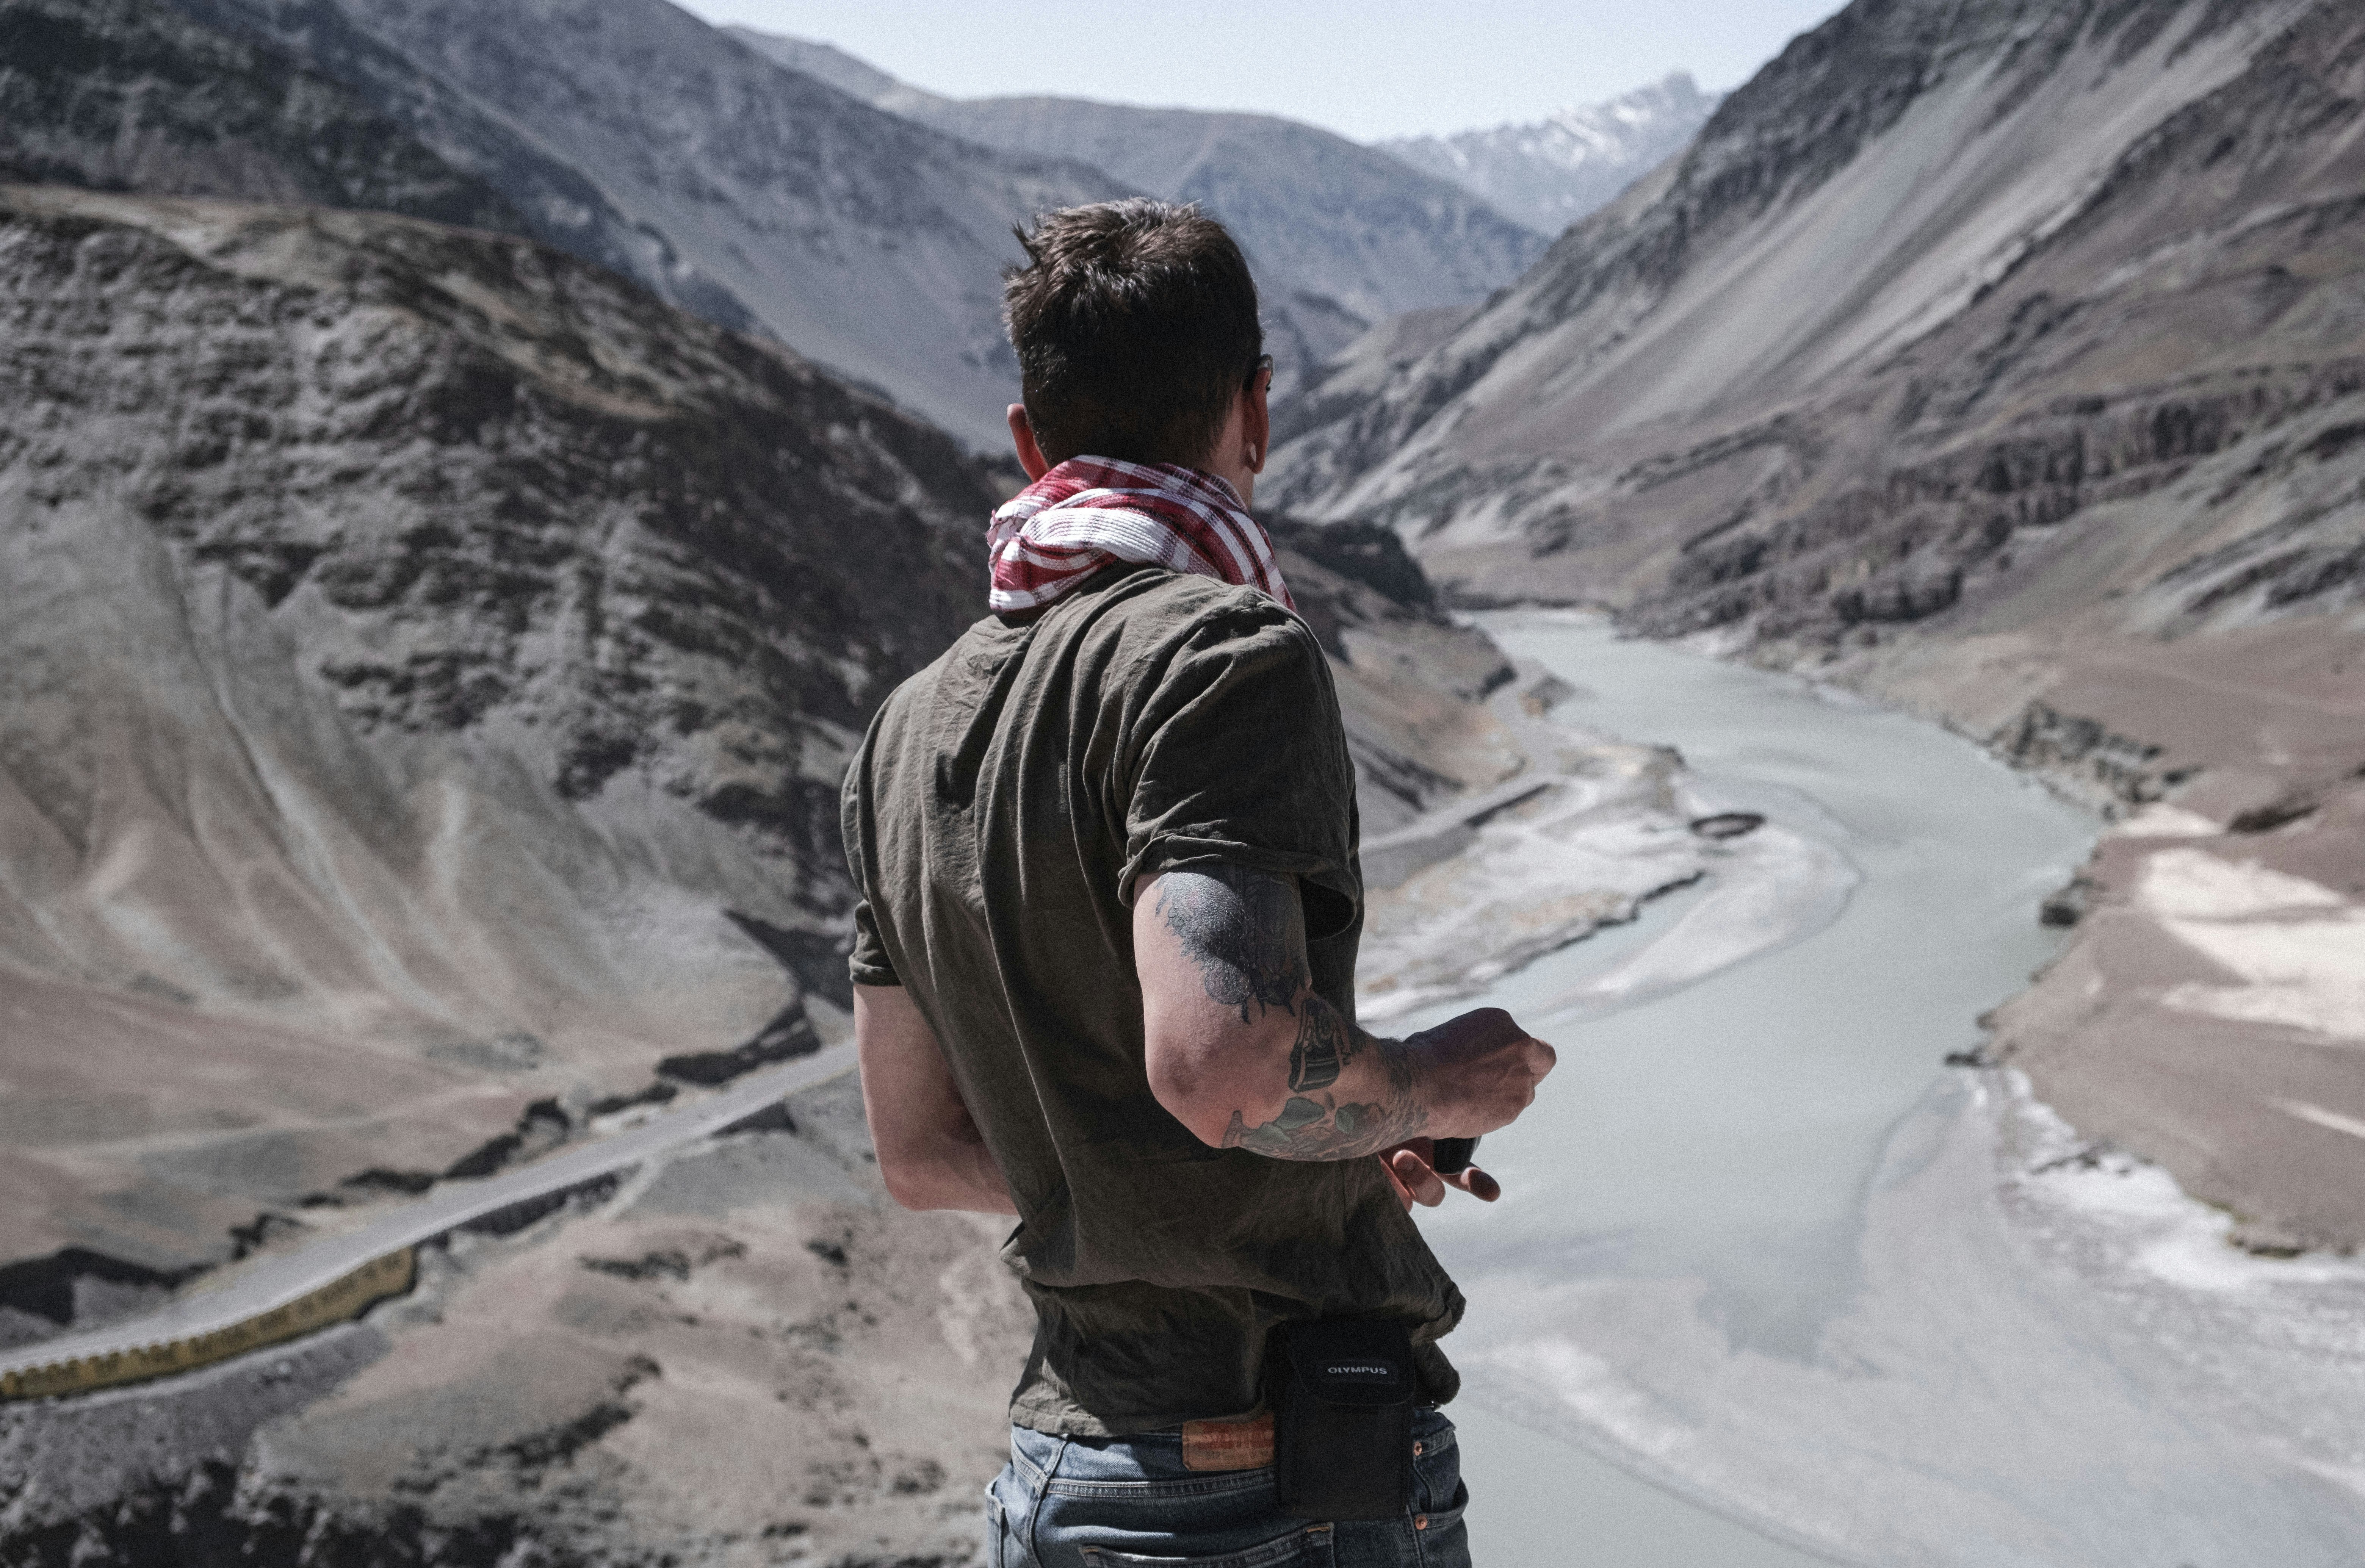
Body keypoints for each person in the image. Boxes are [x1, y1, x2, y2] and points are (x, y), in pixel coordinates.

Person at [839, 198, 1557, 1568]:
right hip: (1270, 1492)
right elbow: (1225, 1073)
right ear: (1258, 411)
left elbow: (921, 1153)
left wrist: (1317, 1162)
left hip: (1064, 1473)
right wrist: (1431, 1083)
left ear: (1029, 441)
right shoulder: (1223, 655)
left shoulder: (904, 731)